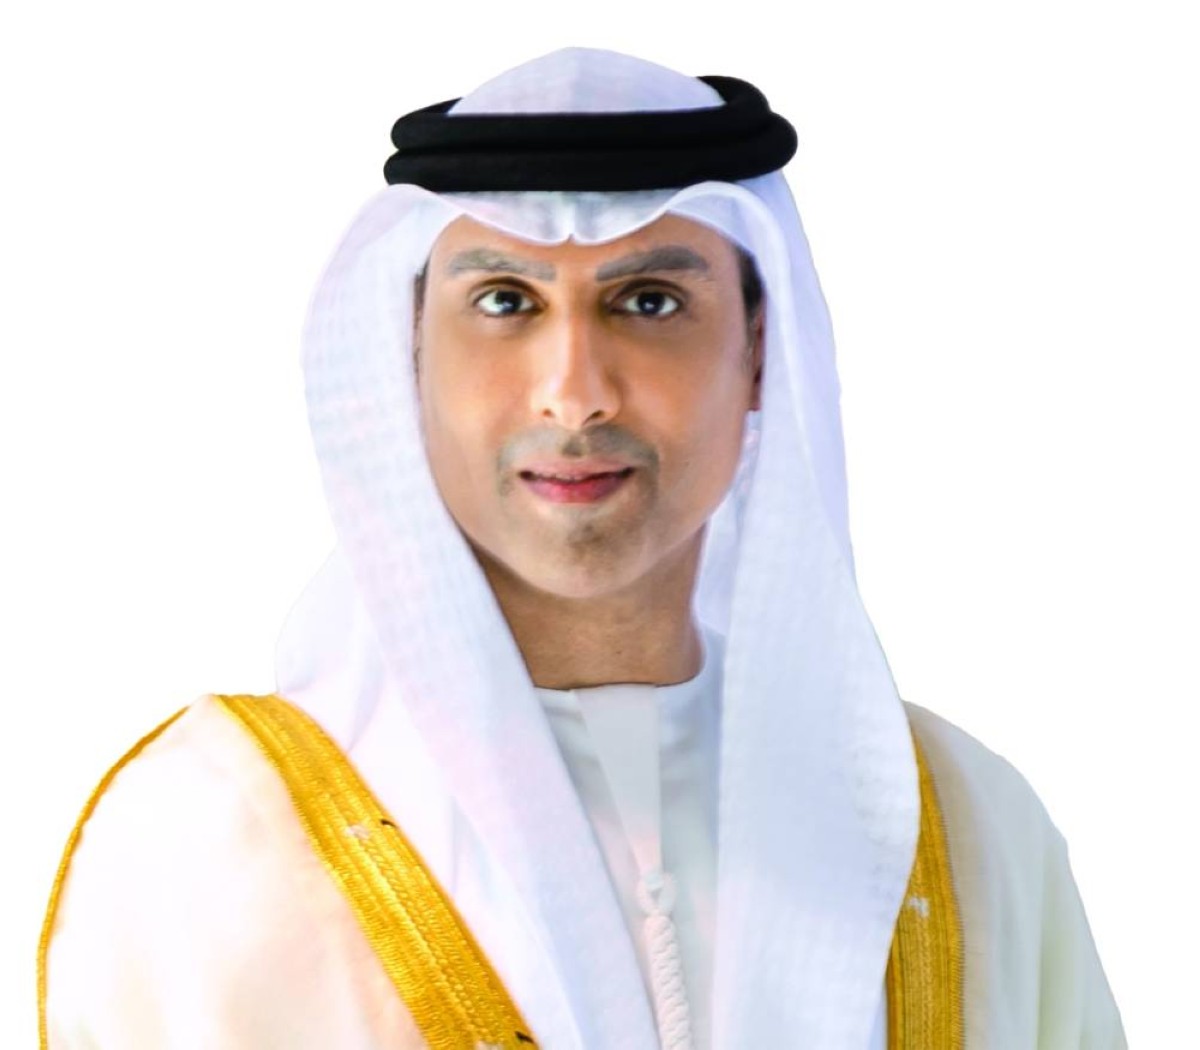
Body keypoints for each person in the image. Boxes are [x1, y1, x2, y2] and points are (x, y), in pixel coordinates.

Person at [38, 47, 1126, 1049]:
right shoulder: (204, 839)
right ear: (407, 355)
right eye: (503, 301)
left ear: (759, 353)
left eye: (649, 302)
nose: (573, 393)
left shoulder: (968, 830)